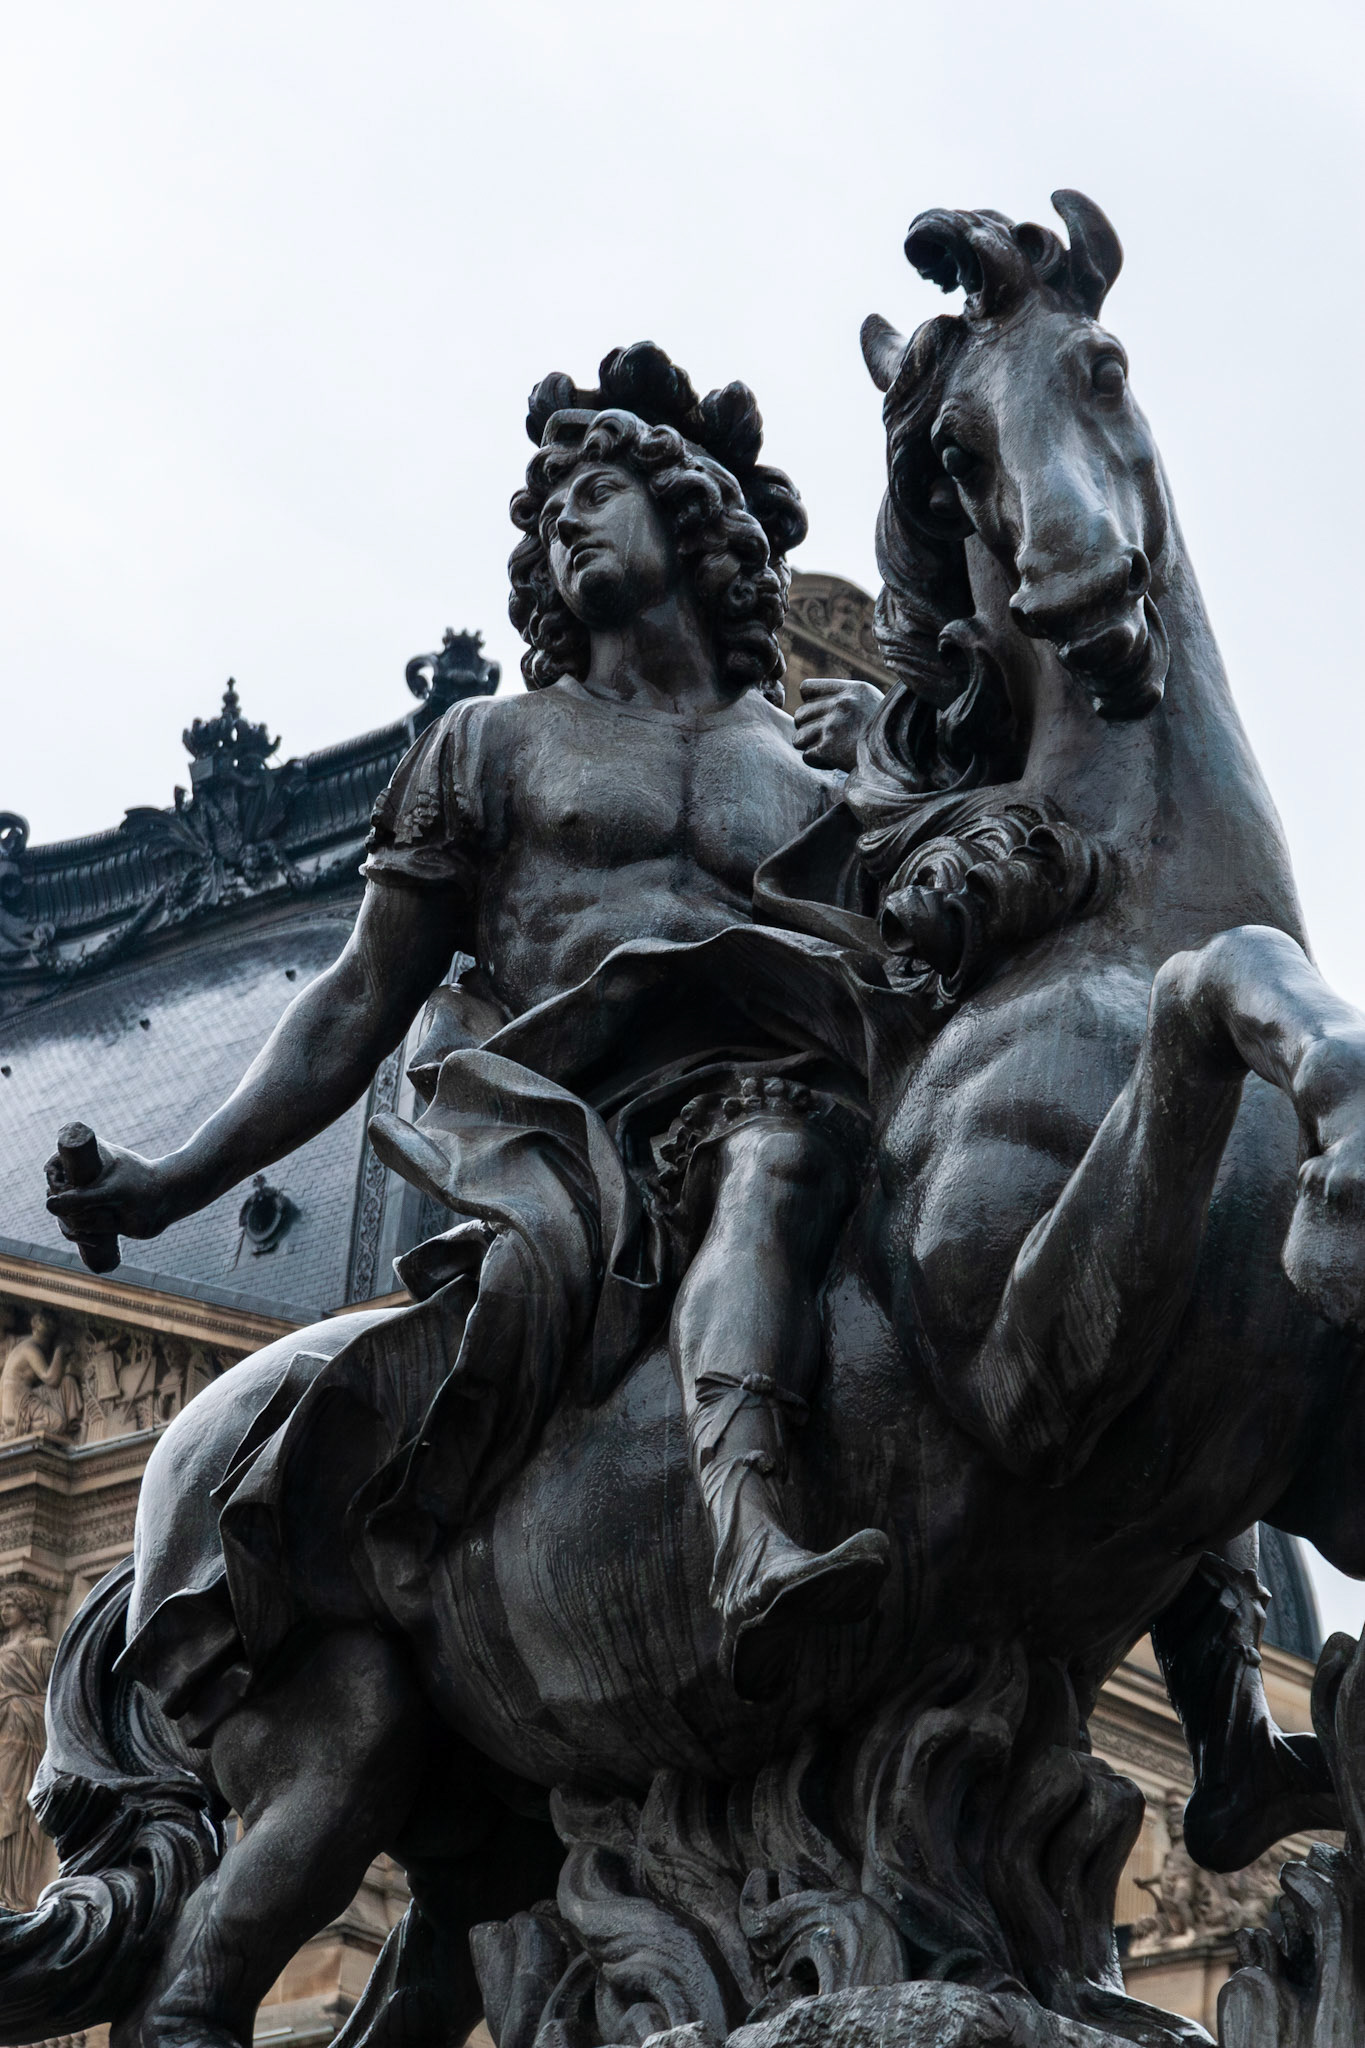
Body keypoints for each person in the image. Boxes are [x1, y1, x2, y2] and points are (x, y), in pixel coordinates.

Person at [47, 344, 888, 1699]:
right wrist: (169, 1186)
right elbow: (355, 1000)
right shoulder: (488, 745)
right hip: (565, 1123)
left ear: (687, 520)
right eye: (547, 516)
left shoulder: (808, 770)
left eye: (596, 492)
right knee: (770, 1156)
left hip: (782, 1088)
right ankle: (749, 1535)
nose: (565, 525)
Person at [0, 1585, 55, 1911]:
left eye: (11, 1604)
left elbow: (57, 1696)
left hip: (23, 1735)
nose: (5, 1610)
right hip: (5, 1731)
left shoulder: (42, 1647)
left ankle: (13, 1893)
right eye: (3, 1604)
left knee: (14, 1807)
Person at [0, 1309, 82, 1441]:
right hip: (17, 1404)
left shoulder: (30, 1345)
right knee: (57, 1422)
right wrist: (60, 1350)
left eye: (51, 1321)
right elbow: (51, 1379)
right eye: (43, 1320)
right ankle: (14, 1431)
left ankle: (73, 1423)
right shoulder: (30, 1348)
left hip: (26, 1396)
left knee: (67, 1381)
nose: (47, 1323)